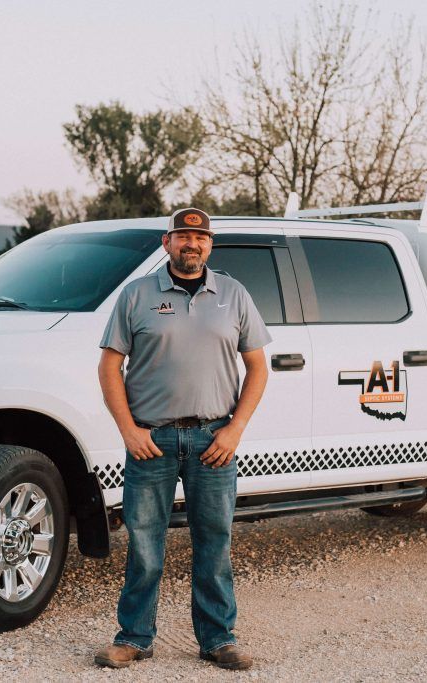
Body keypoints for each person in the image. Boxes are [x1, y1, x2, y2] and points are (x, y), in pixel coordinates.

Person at [94, 207, 272, 670]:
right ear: (166, 242)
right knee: (145, 545)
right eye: (183, 236)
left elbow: (258, 367)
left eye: (200, 237)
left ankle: (219, 639)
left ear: (210, 245)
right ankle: (134, 637)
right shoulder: (136, 295)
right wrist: (129, 431)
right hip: (151, 442)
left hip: (214, 440)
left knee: (214, 543)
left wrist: (235, 429)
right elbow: (109, 366)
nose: (191, 244)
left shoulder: (233, 294)